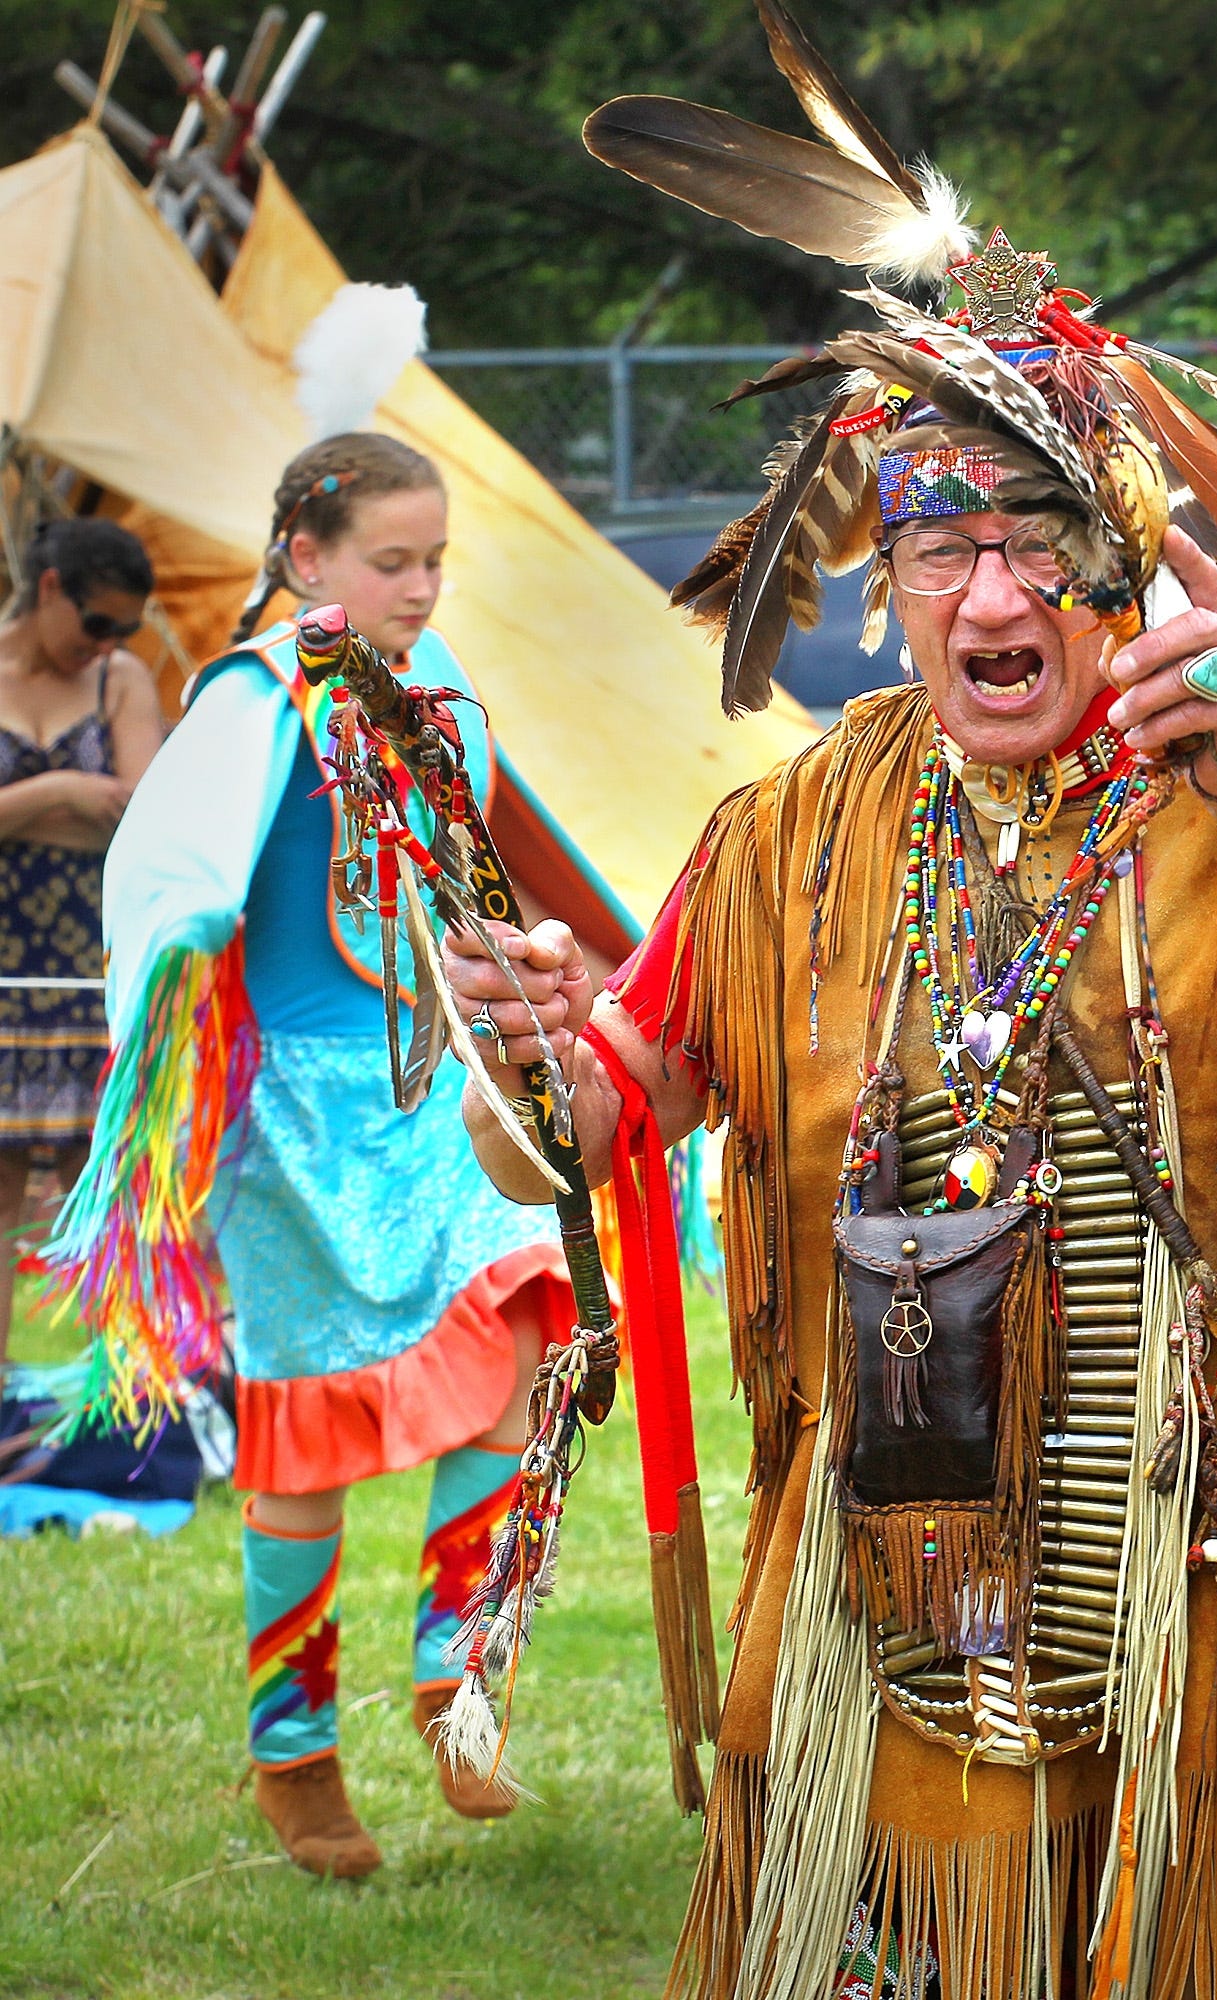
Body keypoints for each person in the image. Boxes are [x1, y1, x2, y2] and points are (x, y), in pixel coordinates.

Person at [441, 14, 1217, 1996]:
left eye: (1043, 540)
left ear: (1124, 562)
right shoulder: (799, 827)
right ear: (885, 576)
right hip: (888, 1580)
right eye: (944, 541)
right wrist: (512, 1048)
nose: (993, 593)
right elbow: (591, 1121)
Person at [41, 434, 579, 1881]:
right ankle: (294, 1753)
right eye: (391, 561)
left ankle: (449, 1675)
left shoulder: (435, 689)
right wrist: (188, 938)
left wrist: (596, 957)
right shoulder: (247, 698)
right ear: (306, 557)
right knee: (305, 1444)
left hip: (428, 1089)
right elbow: (177, 860)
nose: (420, 585)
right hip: (283, 1118)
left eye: (433, 559)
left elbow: (506, 845)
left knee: (517, 1338)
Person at [0, 520, 162, 1370]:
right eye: (97, 622)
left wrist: (14, 816)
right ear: (50, 587)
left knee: (99, 1182)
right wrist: (63, 789)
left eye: (124, 630)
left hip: (94, 969)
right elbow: (102, 803)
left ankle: (122, 1398)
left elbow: (144, 812)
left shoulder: (118, 681)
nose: (106, 643)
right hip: (5, 974)